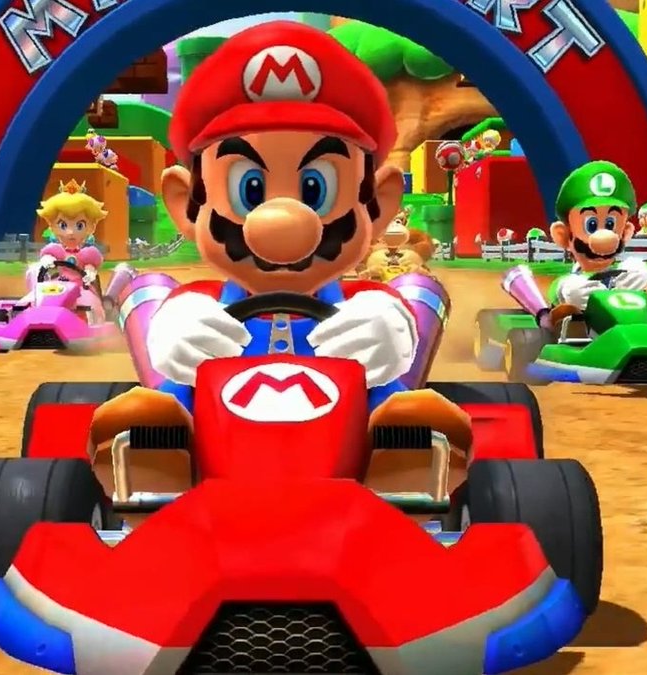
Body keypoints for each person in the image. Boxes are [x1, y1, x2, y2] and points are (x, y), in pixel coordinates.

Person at [89, 21, 471, 451]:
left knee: (389, 383)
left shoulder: (362, 307)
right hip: (216, 433)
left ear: (377, 205)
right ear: (186, 204)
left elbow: (378, 312)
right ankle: (160, 446)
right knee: (171, 385)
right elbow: (188, 316)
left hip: (347, 430)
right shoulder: (202, 309)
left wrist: (388, 331)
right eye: (250, 190)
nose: (283, 221)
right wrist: (176, 334)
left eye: (315, 189)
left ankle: (401, 451)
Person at [547, 160, 647, 311]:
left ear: (625, 233)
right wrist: (568, 292)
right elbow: (559, 290)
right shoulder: (570, 283)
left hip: (624, 311)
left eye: (611, 224)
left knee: (639, 270)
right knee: (572, 289)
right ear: (563, 235)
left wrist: (631, 283)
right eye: (591, 225)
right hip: (582, 318)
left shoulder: (623, 277)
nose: (604, 236)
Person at [33, 180, 106, 290]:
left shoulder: (87, 254)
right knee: (34, 271)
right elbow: (47, 259)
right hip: (60, 286)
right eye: (63, 225)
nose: (71, 232)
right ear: (52, 226)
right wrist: (47, 260)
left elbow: (90, 268)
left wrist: (90, 273)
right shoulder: (56, 250)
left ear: (91, 227)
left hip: (80, 288)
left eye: (79, 226)